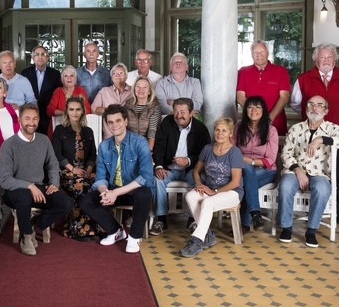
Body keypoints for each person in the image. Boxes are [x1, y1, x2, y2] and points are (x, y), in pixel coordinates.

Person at [290, 43, 339, 228]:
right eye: (322, 57)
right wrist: (314, 118)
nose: (326, 60)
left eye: (329, 57)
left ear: (335, 59)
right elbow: (296, 103)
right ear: (316, 59)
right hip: (310, 137)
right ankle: (313, 209)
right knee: (314, 173)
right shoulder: (304, 79)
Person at [0, 104, 73, 256]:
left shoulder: (44, 140)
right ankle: (26, 237)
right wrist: (29, 185)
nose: (31, 122)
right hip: (14, 191)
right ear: (19, 120)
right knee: (24, 196)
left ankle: (33, 226)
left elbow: (53, 164)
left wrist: (54, 183)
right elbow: (4, 180)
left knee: (66, 202)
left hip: (38, 188)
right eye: (27, 118)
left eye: (35, 118)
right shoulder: (8, 144)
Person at [79, 104, 154, 254]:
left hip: (134, 191)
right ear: (107, 124)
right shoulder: (104, 146)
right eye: (110, 122)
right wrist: (105, 192)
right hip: (114, 190)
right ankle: (115, 231)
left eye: (118, 120)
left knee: (144, 193)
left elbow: (146, 177)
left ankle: (134, 237)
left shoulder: (139, 142)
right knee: (85, 201)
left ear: (125, 121)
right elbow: (100, 178)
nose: (115, 125)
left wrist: (116, 193)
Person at [278, 95, 339, 248]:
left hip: (319, 173)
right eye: (311, 104)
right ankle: (286, 228)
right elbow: (286, 154)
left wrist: (321, 139)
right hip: (295, 171)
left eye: (319, 105)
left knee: (323, 189)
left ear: (326, 110)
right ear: (306, 108)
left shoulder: (331, 128)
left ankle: (311, 230)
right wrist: (298, 170)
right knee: (285, 186)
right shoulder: (296, 128)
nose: (314, 108)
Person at [178, 117, 244, 258]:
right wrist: (199, 185)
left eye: (224, 131)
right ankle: (207, 234)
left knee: (207, 202)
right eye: (217, 130)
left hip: (232, 192)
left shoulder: (235, 152)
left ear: (230, 133)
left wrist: (214, 191)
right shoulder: (208, 149)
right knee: (190, 196)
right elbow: (196, 171)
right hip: (211, 190)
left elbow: (236, 182)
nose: (220, 133)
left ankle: (196, 241)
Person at [150, 98, 211, 236]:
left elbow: (204, 154)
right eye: (176, 111)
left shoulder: (201, 129)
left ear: (191, 113)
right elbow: (159, 146)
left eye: (183, 112)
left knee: (199, 181)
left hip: (191, 170)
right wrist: (158, 166)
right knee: (157, 180)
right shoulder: (167, 123)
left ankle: (192, 219)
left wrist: (188, 160)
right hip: (169, 168)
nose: (178, 115)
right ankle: (161, 220)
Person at [51, 96, 102, 240]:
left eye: (78, 109)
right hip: (66, 172)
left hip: (86, 171)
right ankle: (77, 229)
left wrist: (89, 170)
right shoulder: (60, 130)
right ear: (66, 111)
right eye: (71, 109)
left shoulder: (88, 131)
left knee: (96, 185)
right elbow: (57, 154)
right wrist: (73, 169)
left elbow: (93, 154)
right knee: (83, 187)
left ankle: (93, 227)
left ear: (82, 111)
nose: (75, 112)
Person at [233, 96, 278, 232]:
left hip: (266, 171)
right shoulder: (238, 127)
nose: (254, 110)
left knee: (244, 178)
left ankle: (245, 223)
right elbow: (231, 150)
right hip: (244, 169)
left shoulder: (271, 130)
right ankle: (254, 214)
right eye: (250, 107)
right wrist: (243, 161)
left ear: (263, 111)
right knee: (247, 175)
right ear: (245, 110)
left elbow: (271, 160)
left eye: (258, 107)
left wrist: (250, 161)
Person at [236, 40, 291, 135]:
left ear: (268, 53)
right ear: (251, 54)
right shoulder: (243, 72)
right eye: (255, 52)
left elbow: (284, 97)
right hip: (250, 124)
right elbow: (240, 97)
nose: (259, 55)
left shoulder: (281, 71)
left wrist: (269, 118)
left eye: (262, 52)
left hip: (275, 123)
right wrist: (254, 117)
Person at [21, 45, 62, 135]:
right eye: (37, 54)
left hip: (47, 114)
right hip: (30, 112)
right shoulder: (25, 73)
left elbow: (58, 94)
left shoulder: (55, 74)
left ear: (47, 57)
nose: (40, 57)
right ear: (33, 57)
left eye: (43, 54)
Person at [46, 65, 91, 137]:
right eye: (65, 76)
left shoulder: (80, 90)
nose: (69, 78)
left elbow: (87, 109)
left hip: (77, 127)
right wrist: (66, 113)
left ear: (75, 79)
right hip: (58, 127)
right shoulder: (58, 91)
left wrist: (75, 113)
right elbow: (50, 110)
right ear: (62, 80)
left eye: (71, 75)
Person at [91, 63, 132, 139]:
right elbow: (94, 109)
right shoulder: (104, 91)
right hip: (109, 136)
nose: (117, 75)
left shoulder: (133, 91)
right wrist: (110, 110)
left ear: (126, 76)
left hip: (129, 136)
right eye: (114, 73)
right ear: (111, 77)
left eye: (121, 73)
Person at [124, 76, 162, 151]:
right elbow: (124, 129)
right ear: (134, 89)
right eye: (138, 86)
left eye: (145, 87)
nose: (141, 89)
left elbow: (152, 131)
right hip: (129, 145)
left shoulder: (155, 106)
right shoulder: (127, 105)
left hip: (147, 146)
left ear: (149, 91)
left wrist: (147, 151)